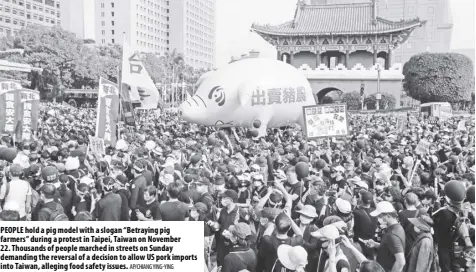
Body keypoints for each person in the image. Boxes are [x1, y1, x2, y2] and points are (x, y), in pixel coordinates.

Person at [368, 201, 406, 272]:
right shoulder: (396, 228)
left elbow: (401, 262)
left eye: (379, 216)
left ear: (388, 216)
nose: (377, 219)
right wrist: (375, 244)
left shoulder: (392, 235)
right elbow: (389, 248)